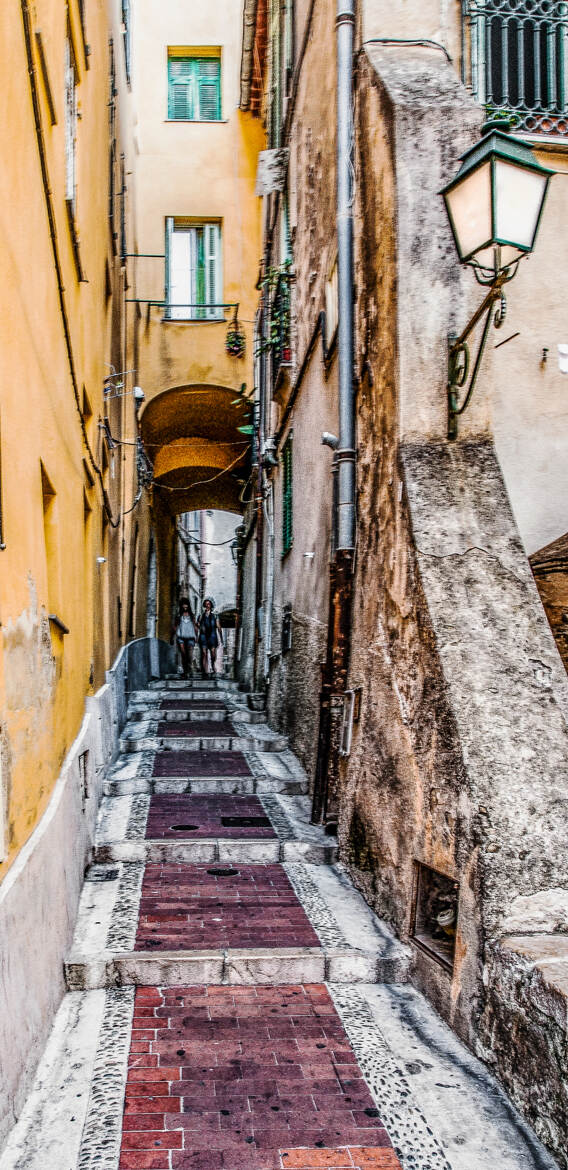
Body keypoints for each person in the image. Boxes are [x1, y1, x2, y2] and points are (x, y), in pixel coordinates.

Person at [197, 597, 223, 677]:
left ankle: (212, 664)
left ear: (211, 605)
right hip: (203, 636)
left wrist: (221, 638)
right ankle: (205, 671)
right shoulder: (201, 615)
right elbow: (197, 625)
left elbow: (218, 627)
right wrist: (199, 628)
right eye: (206, 604)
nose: (207, 605)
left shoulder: (215, 616)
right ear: (204, 605)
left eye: (209, 604)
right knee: (204, 653)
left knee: (213, 654)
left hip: (212, 636)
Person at [172, 597, 197, 679]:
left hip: (190, 637)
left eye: (186, 605)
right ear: (181, 606)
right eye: (183, 605)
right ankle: (185, 672)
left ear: (188, 606)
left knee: (189, 655)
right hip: (181, 637)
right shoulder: (179, 615)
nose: (185, 607)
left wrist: (196, 636)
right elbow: (175, 626)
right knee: (183, 654)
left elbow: (195, 626)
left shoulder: (192, 615)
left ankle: (189, 669)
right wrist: (173, 636)